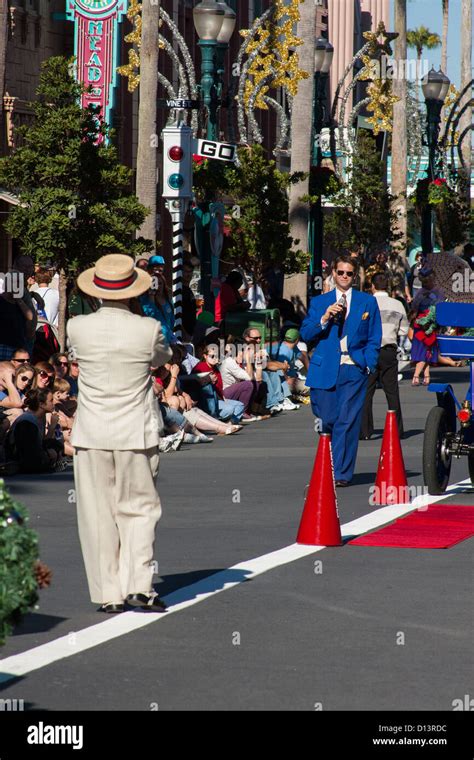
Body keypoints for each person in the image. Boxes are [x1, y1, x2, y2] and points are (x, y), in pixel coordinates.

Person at [67, 253, 172, 615]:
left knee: (97, 514)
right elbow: (161, 358)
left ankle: (108, 592)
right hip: (135, 431)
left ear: (97, 291)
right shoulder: (148, 329)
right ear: (132, 290)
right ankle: (139, 586)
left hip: (92, 430)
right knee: (139, 510)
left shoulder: (76, 326)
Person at [301, 254, 382, 487]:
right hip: (325, 368)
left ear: (354, 276)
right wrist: (325, 317)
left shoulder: (367, 302)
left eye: (349, 273)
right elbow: (306, 334)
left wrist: (367, 363)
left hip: (354, 368)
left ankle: (340, 474)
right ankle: (330, 460)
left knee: (347, 421)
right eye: (340, 272)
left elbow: (374, 337)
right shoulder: (319, 302)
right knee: (329, 419)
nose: (344, 276)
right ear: (333, 274)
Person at [360, 272, 409, 440]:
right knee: (392, 391)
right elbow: (403, 330)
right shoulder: (397, 305)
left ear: (372, 286)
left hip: (369, 350)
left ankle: (365, 431)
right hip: (389, 350)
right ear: (387, 286)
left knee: (367, 391)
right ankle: (397, 430)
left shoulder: (366, 303)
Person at [5, 388, 66, 474]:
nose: (54, 403)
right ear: (41, 404)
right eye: (51, 400)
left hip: (33, 455)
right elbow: (29, 451)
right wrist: (47, 455)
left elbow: (41, 443)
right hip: (22, 460)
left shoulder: (41, 417)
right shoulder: (26, 422)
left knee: (55, 445)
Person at [140, 270, 176, 345]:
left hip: (167, 337)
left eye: (160, 283)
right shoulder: (144, 299)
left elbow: (172, 319)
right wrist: (151, 297)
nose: (158, 286)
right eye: (154, 283)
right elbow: (149, 315)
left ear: (164, 284)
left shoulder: (168, 299)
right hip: (153, 338)